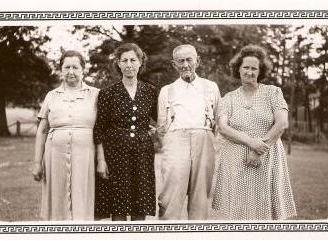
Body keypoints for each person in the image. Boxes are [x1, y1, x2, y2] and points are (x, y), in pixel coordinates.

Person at [212, 44, 297, 220]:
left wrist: (260, 149)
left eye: (254, 68)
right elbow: (223, 127)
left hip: (267, 157)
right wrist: (251, 143)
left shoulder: (273, 92)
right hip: (236, 160)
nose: (249, 72)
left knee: (265, 212)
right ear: (238, 69)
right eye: (246, 67)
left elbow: (282, 123)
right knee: (240, 213)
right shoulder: (228, 98)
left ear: (260, 71)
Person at [32, 50, 100, 220]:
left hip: (86, 154)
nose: (71, 71)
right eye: (66, 67)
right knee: (57, 199)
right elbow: (42, 130)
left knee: (83, 197)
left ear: (83, 70)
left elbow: (103, 128)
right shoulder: (51, 96)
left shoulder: (96, 94)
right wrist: (37, 163)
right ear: (61, 70)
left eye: (75, 67)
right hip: (55, 155)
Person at [93, 43, 157, 221]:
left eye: (133, 60)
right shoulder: (107, 93)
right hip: (116, 155)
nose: (129, 64)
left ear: (140, 62)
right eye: (125, 60)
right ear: (118, 64)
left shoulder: (150, 91)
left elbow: (163, 118)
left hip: (142, 155)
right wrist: (100, 160)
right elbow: (99, 129)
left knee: (140, 205)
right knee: (119, 207)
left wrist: (152, 131)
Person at [157, 44, 220, 220]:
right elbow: (163, 127)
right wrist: (174, 145)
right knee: (170, 197)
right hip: (176, 142)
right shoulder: (166, 91)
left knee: (200, 197)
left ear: (197, 61)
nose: (185, 65)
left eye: (189, 60)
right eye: (180, 61)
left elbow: (219, 122)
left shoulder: (211, 87)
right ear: (174, 64)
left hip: (204, 141)